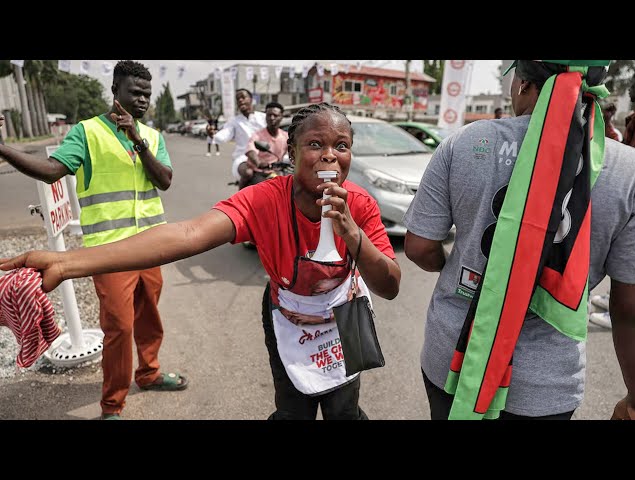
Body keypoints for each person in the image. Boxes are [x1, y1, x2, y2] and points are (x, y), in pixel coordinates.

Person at [0, 102, 401, 420]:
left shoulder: (360, 205)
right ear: (292, 153)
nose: (329, 156)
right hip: (287, 315)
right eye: (315, 145)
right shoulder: (265, 199)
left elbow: (390, 285)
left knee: (343, 408)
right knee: (293, 406)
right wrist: (67, 263)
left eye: (341, 146)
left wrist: (354, 237)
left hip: (341, 315)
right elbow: (189, 234)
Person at [403, 60, 635, 420]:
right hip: (545, 385)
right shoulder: (630, 172)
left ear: (524, 83)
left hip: (453, 358)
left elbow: (420, 247)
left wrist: (454, 266)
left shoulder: (466, 142)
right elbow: (630, 309)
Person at [0, 60, 187, 420]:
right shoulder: (86, 132)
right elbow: (54, 170)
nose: (143, 100)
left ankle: (148, 374)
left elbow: (164, 180)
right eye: (135, 93)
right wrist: (4, 149)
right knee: (119, 327)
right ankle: (112, 406)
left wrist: (138, 140)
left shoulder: (153, 135)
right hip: (110, 252)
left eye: (147, 94)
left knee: (149, 316)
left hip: (151, 244)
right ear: (115, 91)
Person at [213, 89, 266, 182]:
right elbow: (225, 134)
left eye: (243, 97)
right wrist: (214, 134)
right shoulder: (234, 121)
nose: (240, 100)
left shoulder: (264, 118)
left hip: (266, 157)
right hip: (243, 158)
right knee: (248, 173)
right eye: (238, 99)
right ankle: (241, 195)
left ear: (251, 99)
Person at [241, 102, 289, 189]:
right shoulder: (257, 135)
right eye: (269, 115)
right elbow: (251, 151)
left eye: (275, 115)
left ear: (281, 117)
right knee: (260, 191)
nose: (272, 118)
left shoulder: (286, 136)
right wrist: (258, 162)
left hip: (278, 171)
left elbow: (296, 150)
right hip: (260, 171)